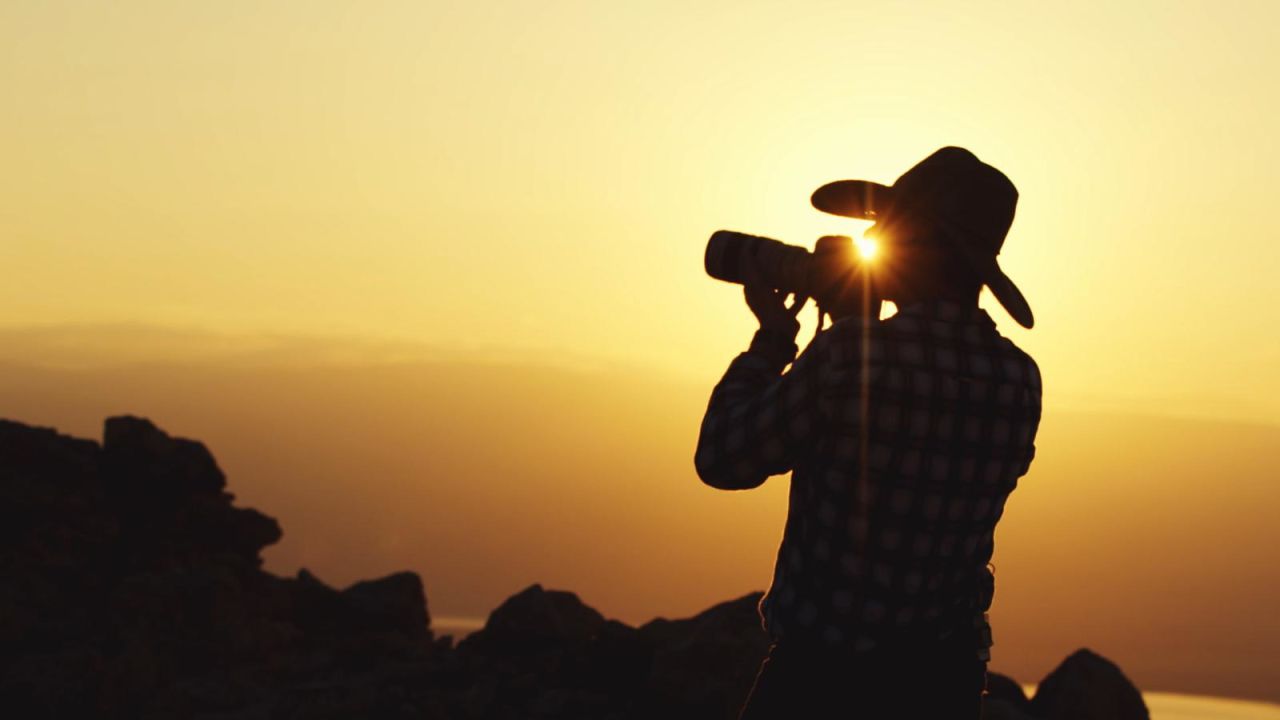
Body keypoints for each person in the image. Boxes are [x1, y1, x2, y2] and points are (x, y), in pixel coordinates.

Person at [694, 147, 1043, 719]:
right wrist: (852, 326)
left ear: (922, 245)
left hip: (818, 682)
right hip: (942, 686)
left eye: (888, 229)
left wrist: (775, 341)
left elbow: (723, 458)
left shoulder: (851, 359)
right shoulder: (1019, 381)